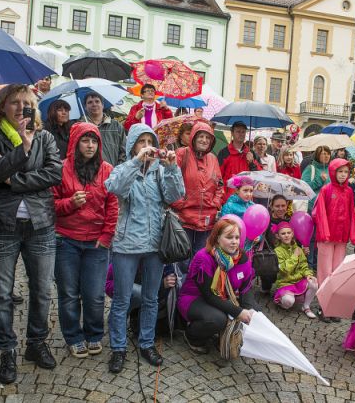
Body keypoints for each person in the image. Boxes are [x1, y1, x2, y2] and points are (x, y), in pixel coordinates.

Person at [0, 84, 63, 384]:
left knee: (41, 291)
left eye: (26, 103)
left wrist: (13, 181)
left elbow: (55, 173)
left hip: (40, 225)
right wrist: (23, 149)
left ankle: (36, 344)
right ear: (2, 106)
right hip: (2, 226)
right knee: (1, 294)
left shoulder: (46, 137)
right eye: (14, 102)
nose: (20, 108)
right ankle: (6, 350)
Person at [105, 123, 184, 373]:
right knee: (121, 299)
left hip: (155, 244)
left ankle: (147, 343)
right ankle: (118, 348)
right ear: (132, 146)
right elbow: (115, 187)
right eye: (142, 141)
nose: (147, 146)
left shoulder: (160, 171)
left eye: (151, 141)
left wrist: (172, 168)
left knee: (151, 298)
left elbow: (175, 195)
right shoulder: (124, 168)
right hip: (126, 244)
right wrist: (135, 162)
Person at [52, 122, 118, 358]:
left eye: (94, 141)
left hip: (96, 243)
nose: (90, 146)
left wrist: (107, 235)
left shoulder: (107, 169)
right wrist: (70, 203)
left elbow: (113, 205)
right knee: (69, 293)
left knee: (94, 294)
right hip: (66, 240)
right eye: (85, 140)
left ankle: (94, 333)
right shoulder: (61, 169)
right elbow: (51, 204)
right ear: (75, 142)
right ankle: (73, 336)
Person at [178, 219, 258, 355]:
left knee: (255, 313)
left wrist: (250, 310)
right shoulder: (204, 257)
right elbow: (209, 295)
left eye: (237, 237)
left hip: (222, 298)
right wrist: (238, 311)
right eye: (229, 237)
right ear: (217, 239)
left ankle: (222, 334)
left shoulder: (242, 258)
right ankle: (192, 336)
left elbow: (246, 288)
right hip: (194, 298)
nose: (234, 241)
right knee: (217, 319)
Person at [311, 158, 355, 321]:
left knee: (338, 271)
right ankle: (324, 306)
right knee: (325, 271)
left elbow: (351, 212)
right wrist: (324, 233)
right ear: (333, 172)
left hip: (341, 237)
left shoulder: (349, 192)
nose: (343, 175)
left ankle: (333, 306)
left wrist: (353, 234)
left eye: (346, 172)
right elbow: (320, 213)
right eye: (340, 171)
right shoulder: (326, 189)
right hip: (327, 237)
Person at [172, 122, 224, 262]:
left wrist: (215, 204)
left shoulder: (213, 159)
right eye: (201, 136)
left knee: (200, 260)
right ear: (193, 137)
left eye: (208, 138)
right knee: (182, 261)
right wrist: (179, 204)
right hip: (184, 218)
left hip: (207, 220)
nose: (204, 140)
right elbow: (170, 180)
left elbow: (219, 185)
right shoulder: (182, 154)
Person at [272, 222, 318, 319]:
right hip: (285, 283)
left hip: (298, 281)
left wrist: (308, 274)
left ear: (292, 234)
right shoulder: (277, 251)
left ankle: (306, 306)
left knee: (314, 282)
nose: (286, 235)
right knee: (288, 302)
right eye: (283, 233)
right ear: (278, 236)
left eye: (289, 233)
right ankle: (281, 300)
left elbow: (304, 265)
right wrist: (294, 256)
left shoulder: (298, 249)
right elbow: (284, 269)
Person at [217, 121, 262, 200]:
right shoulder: (224, 153)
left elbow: (259, 175)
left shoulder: (251, 153)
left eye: (243, 132)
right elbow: (218, 176)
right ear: (232, 133)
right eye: (238, 131)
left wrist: (252, 162)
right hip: (228, 199)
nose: (241, 134)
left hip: (247, 197)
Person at [81, 92, 126, 167]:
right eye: (90, 102)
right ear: (85, 107)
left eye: (97, 101)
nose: (94, 104)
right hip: (88, 174)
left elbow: (124, 151)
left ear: (103, 105)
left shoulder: (116, 125)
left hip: (114, 174)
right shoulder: (80, 126)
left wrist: (117, 171)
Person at [301, 145, 331, 209]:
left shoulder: (330, 169)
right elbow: (304, 187)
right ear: (318, 155)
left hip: (328, 205)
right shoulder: (310, 169)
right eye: (324, 154)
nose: (327, 156)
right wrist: (319, 180)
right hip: (314, 206)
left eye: (328, 154)